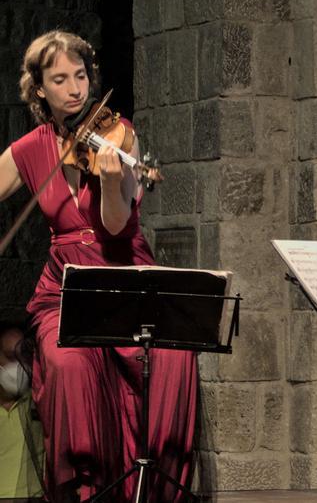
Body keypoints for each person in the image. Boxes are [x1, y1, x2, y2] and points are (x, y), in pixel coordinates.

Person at [0, 31, 198, 502]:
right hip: (65, 287)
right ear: (39, 89)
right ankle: (85, 491)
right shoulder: (31, 148)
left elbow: (114, 226)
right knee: (68, 364)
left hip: (124, 269)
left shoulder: (118, 133)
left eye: (82, 76)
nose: (75, 90)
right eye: (60, 79)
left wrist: (114, 182)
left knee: (171, 359)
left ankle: (149, 492)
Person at [0, 323, 43, 501]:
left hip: (35, 498)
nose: (18, 365)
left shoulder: (40, 402)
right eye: (11, 357)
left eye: (23, 356)